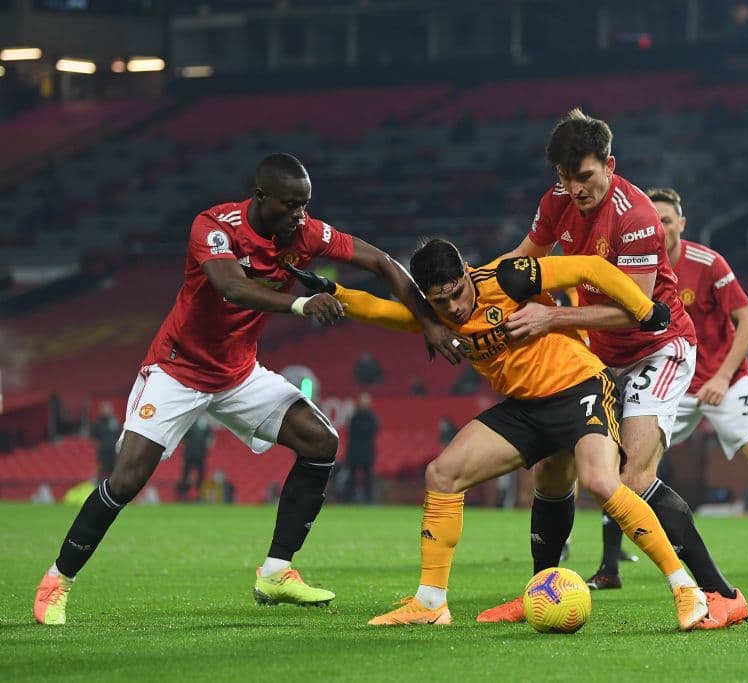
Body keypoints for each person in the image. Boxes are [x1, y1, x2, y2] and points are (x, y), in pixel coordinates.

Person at [32, 153, 460, 626]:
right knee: (127, 479)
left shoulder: (304, 233)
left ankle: (276, 571)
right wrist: (301, 304)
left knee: (321, 441)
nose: (300, 215)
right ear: (261, 198)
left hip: (238, 373)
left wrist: (428, 323)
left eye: (306, 204)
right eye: (291, 204)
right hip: (178, 370)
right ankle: (56, 581)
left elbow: (380, 261)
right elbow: (230, 287)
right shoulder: (215, 227)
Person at [290, 238, 710, 630]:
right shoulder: (435, 316)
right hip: (525, 408)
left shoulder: (508, 277)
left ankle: (686, 589)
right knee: (443, 473)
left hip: (578, 386)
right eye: (440, 300)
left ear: (466, 272)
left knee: (601, 480)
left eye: (457, 293)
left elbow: (590, 267)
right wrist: (334, 292)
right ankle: (432, 602)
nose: (453, 307)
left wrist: (642, 308)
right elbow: (382, 310)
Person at [477, 109, 747, 629]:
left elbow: (637, 309)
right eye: (564, 178)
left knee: (633, 478)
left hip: (657, 347)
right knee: (552, 468)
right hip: (598, 353)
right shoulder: (556, 202)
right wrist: (469, 290)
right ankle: (541, 590)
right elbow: (521, 261)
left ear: (609, 165)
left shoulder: (637, 217)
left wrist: (551, 318)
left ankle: (723, 593)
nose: (575, 189)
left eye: (585, 177)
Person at [582, 187, 748, 591]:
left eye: (667, 220)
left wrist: (723, 377)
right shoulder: (630, 263)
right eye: (653, 219)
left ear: (681, 224)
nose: (659, 226)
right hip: (667, 377)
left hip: (722, 379)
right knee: (625, 466)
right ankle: (609, 566)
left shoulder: (707, 263)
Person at [342, 392, 379, 503]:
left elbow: (373, 430)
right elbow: (351, 431)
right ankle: (349, 498)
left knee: (367, 476)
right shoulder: (354, 417)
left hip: (366, 451)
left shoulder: (372, 418)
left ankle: (368, 498)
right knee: (352, 476)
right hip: (355, 451)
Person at [177, 414, 214, 501]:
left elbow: (210, 440)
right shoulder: (189, 423)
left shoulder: (206, 425)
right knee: (185, 475)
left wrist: (207, 448)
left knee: (200, 476)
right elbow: (183, 437)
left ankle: (199, 496)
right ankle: (184, 495)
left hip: (200, 454)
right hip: (189, 453)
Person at [89, 401, 121, 482]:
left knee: (113, 473)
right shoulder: (98, 423)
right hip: (103, 452)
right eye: (105, 409)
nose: (107, 411)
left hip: (113, 452)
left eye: (109, 409)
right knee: (101, 472)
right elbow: (93, 437)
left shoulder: (115, 422)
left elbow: (119, 434)